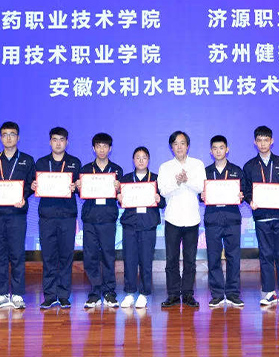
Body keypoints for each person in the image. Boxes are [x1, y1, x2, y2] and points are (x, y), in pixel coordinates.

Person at [242, 126, 279, 307]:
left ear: (272, 141)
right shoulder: (249, 166)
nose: (263, 143)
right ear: (255, 142)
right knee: (265, 255)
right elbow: (246, 189)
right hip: (262, 217)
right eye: (259, 140)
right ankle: (269, 292)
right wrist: (250, 200)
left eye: (266, 140)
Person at [0, 121, 36, 310]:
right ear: (0, 138)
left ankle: (18, 294)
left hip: (17, 213)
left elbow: (31, 184)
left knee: (17, 254)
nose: (8, 138)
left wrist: (24, 196)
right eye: (5, 134)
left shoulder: (27, 160)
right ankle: (1, 294)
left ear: (18, 137)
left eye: (12, 134)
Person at [32, 127, 81, 309]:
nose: (58, 143)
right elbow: (33, 186)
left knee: (66, 257)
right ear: (50, 142)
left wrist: (78, 186)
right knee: (48, 257)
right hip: (47, 216)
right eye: (55, 139)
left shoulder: (75, 163)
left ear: (67, 142)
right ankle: (50, 295)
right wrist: (33, 185)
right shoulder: (41, 163)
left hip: (67, 216)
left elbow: (82, 189)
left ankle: (64, 295)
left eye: (61, 139)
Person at [157, 131, 205, 308]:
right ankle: (173, 294)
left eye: (182, 143)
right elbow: (163, 191)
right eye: (175, 144)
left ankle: (188, 294)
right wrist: (177, 183)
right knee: (171, 259)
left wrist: (186, 180)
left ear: (188, 146)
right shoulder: (165, 167)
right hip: (172, 219)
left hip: (192, 219)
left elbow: (201, 187)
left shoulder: (197, 164)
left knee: (190, 260)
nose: (179, 147)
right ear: (171, 147)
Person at [76, 132, 124, 309]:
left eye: (105, 146)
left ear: (110, 149)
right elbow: (80, 193)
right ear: (93, 148)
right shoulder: (85, 170)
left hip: (108, 218)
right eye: (98, 146)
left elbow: (121, 195)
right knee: (90, 256)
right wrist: (78, 187)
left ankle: (109, 292)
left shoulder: (117, 170)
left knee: (108, 256)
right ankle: (95, 292)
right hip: (90, 218)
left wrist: (119, 189)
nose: (102, 149)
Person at [118, 147, 165, 309]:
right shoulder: (126, 179)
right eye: (137, 157)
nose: (141, 160)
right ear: (133, 160)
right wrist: (119, 198)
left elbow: (163, 203)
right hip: (130, 224)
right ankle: (130, 293)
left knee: (146, 260)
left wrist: (159, 199)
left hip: (148, 224)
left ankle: (144, 293)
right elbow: (121, 201)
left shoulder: (156, 180)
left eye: (144, 157)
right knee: (129, 260)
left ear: (148, 160)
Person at [203, 135, 245, 308]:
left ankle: (233, 293)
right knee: (213, 257)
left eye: (221, 147)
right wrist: (202, 195)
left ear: (227, 149)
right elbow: (199, 194)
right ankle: (217, 294)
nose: (218, 151)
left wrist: (241, 196)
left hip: (232, 219)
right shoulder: (205, 172)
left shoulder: (236, 170)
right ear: (211, 151)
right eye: (215, 148)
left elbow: (244, 193)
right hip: (212, 219)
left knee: (233, 257)